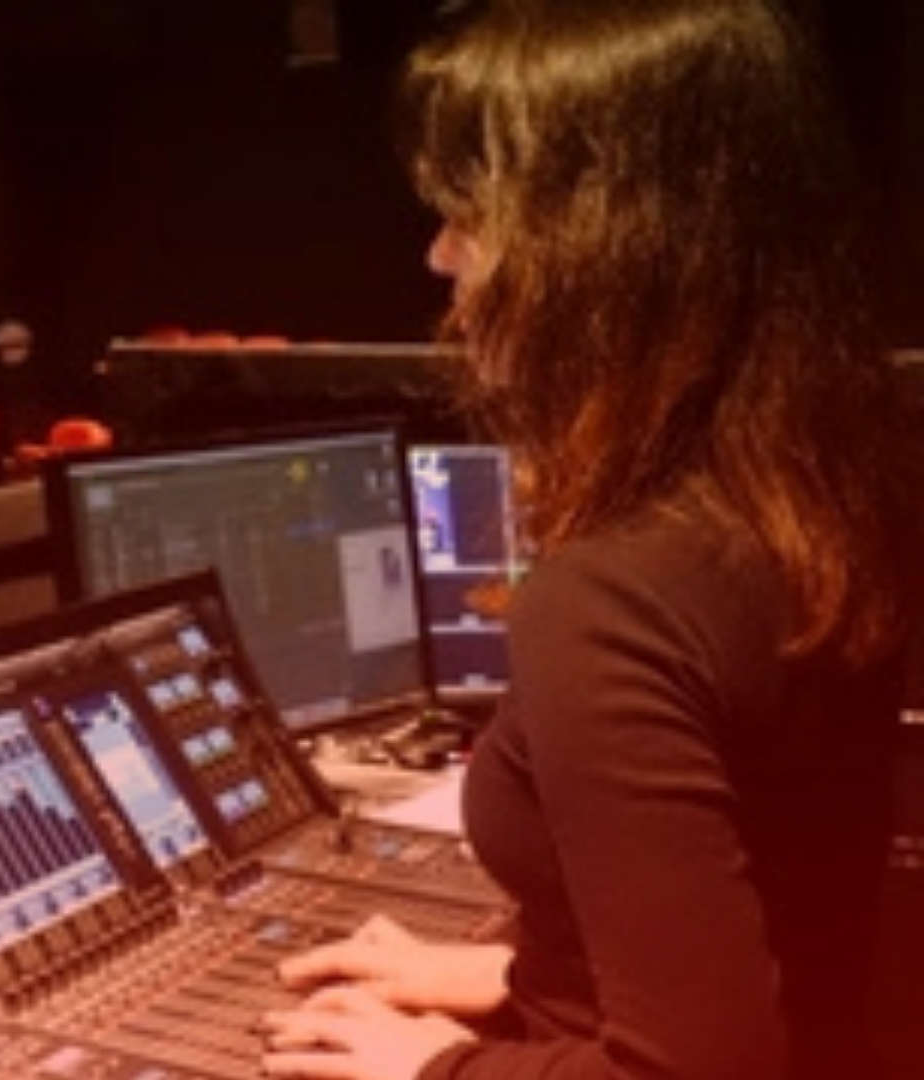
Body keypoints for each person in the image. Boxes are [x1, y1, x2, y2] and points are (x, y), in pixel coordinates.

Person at [257, 2, 917, 1079]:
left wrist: (434, 1068)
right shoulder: (822, 497)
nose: (440, 256)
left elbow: (697, 1071)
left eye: (470, 216)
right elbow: (787, 901)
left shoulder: (612, 598)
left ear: (596, 248)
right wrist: (523, 977)